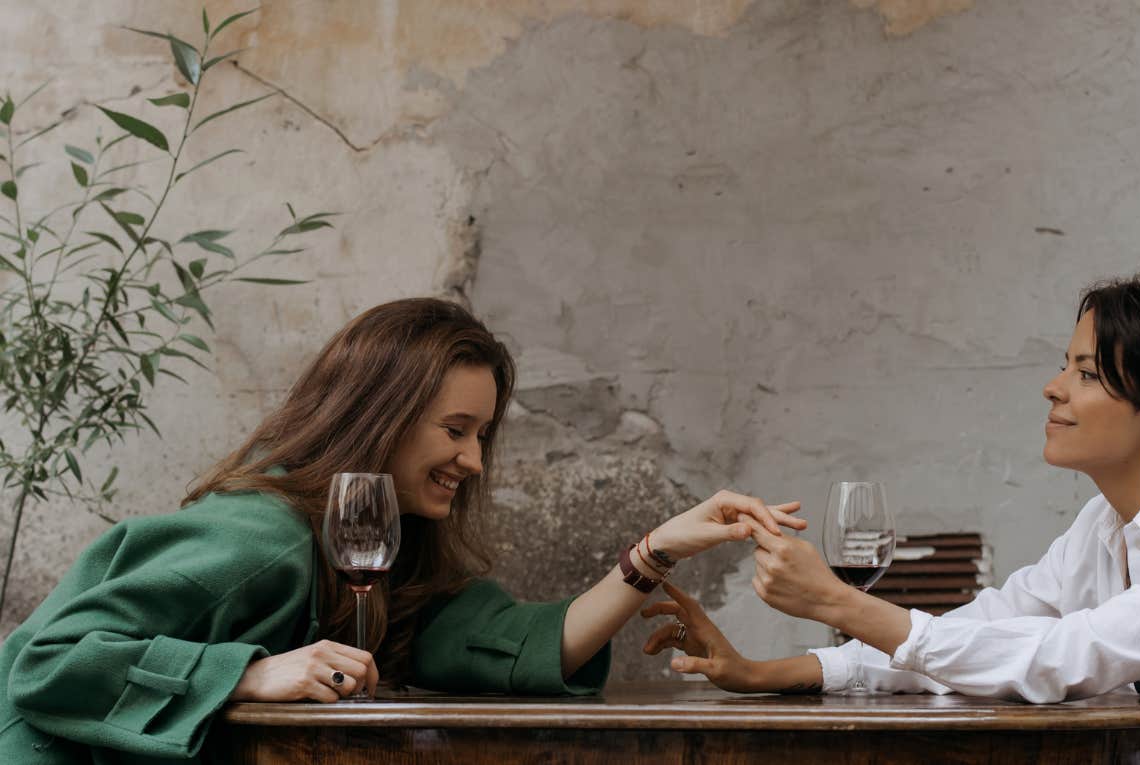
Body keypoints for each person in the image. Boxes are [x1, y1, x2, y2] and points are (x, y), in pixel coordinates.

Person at [0, 298, 803, 763]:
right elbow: (43, 660)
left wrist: (652, 551)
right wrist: (245, 674)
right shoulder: (262, 538)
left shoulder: (380, 557)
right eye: (456, 429)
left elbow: (523, 643)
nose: (474, 460)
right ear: (379, 418)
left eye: (482, 435)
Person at [643, 275, 1140, 764]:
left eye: (1086, 374)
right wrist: (771, 670)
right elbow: (989, 629)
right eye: (1064, 365)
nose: (1053, 387)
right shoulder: (1104, 522)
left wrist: (837, 600)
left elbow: (1062, 661)